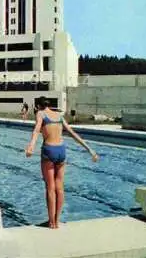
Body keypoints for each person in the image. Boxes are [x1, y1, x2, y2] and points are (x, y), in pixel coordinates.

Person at [25, 96, 99, 229]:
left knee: (50, 188)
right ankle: (57, 221)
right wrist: (90, 149)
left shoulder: (40, 114)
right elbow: (71, 132)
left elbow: (36, 130)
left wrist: (31, 146)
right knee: (60, 188)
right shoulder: (59, 115)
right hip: (61, 151)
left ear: (37, 107)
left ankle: (51, 222)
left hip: (49, 150)